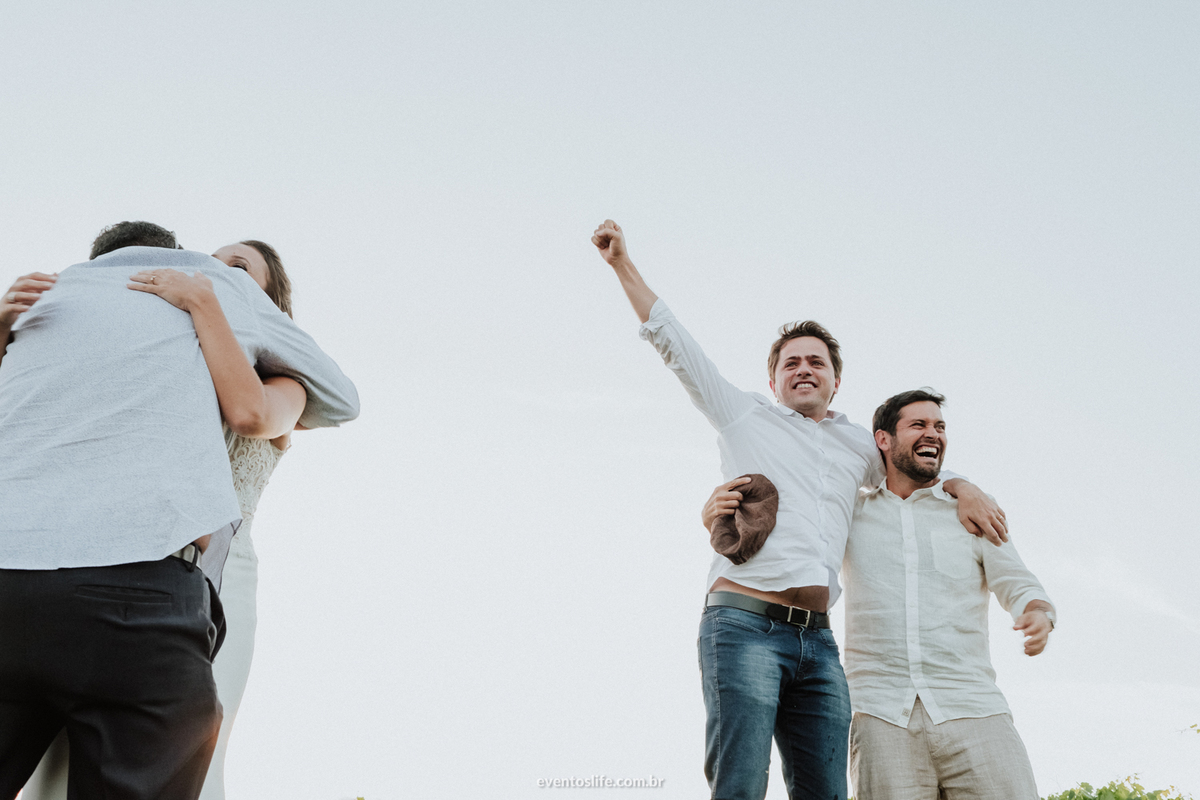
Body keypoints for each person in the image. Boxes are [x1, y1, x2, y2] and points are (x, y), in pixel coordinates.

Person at [590, 220, 1005, 800]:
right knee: (740, 784)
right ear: (774, 378)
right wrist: (622, 265)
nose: (804, 369)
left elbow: (911, 462)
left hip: (819, 643)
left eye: (817, 362)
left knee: (828, 792)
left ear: (836, 382)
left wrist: (965, 485)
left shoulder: (859, 444)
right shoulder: (744, 417)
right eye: (792, 363)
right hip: (743, 626)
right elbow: (676, 346)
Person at [0, 221, 359, 800]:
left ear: (268, 301)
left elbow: (253, 411)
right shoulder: (154, 346)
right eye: (206, 260)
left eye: (235, 267)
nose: (207, 267)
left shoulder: (280, 374)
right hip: (107, 564)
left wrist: (205, 299)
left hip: (207, 570)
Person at [704, 389, 1054, 800]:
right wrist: (714, 511)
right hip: (881, 718)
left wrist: (1037, 610)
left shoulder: (969, 511)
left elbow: (1016, 579)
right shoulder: (850, 513)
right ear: (883, 440)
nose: (933, 433)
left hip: (974, 709)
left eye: (939, 426)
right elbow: (792, 527)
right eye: (918, 425)